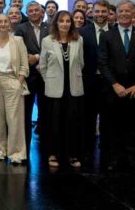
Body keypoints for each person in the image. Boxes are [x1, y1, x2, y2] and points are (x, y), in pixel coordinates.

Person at [98, 0, 135, 171]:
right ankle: (115, 158)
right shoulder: (107, 35)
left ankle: (131, 157)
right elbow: (102, 62)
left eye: (127, 10)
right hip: (113, 90)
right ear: (115, 13)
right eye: (120, 10)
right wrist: (114, 84)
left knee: (134, 125)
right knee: (114, 125)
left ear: (134, 12)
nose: (123, 14)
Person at [39, 11, 85, 168]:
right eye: (61, 21)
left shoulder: (79, 40)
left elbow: (81, 63)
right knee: (54, 123)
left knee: (72, 122)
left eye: (68, 21)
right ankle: (53, 154)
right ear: (56, 23)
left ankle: (72, 155)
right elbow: (43, 65)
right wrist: (49, 80)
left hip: (73, 88)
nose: (65, 24)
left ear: (71, 23)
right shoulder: (47, 41)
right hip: (54, 88)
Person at [0, 13, 29, 163]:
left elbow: (24, 65)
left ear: (10, 25)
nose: (3, 24)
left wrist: (19, 82)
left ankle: (16, 154)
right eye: (0, 22)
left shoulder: (18, 41)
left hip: (12, 80)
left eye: (6, 21)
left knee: (14, 119)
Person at [78, 0, 112, 165]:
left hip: (109, 83)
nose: (100, 14)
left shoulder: (115, 31)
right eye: (97, 11)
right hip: (89, 82)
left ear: (109, 13)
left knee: (108, 121)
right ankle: (86, 153)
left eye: (103, 11)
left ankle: (106, 155)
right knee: (87, 120)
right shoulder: (82, 32)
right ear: (91, 13)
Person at [15, 1, 50, 154]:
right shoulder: (21, 28)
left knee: (46, 113)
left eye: (37, 10)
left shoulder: (50, 28)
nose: (34, 13)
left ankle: (46, 148)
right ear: (27, 13)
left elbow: (53, 49)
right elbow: (19, 50)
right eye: (31, 11)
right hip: (28, 77)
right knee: (25, 114)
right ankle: (24, 149)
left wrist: (37, 57)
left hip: (46, 77)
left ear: (42, 12)